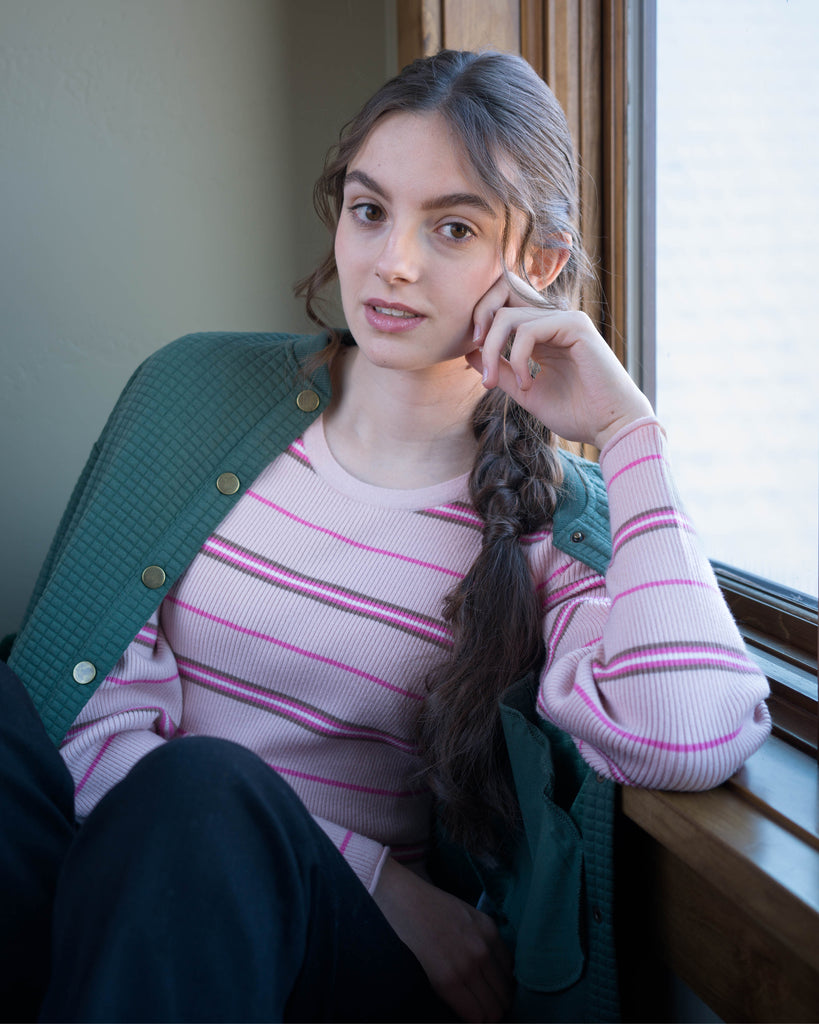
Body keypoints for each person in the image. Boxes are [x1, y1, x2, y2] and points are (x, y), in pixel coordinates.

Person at [2, 49, 771, 1023]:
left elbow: (685, 729)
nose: (393, 261)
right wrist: (372, 871)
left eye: (451, 227)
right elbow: (85, 718)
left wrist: (626, 432)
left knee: (204, 794)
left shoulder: (548, 520)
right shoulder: (191, 391)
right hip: (129, 879)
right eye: (370, 211)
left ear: (537, 262)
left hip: (337, 963)